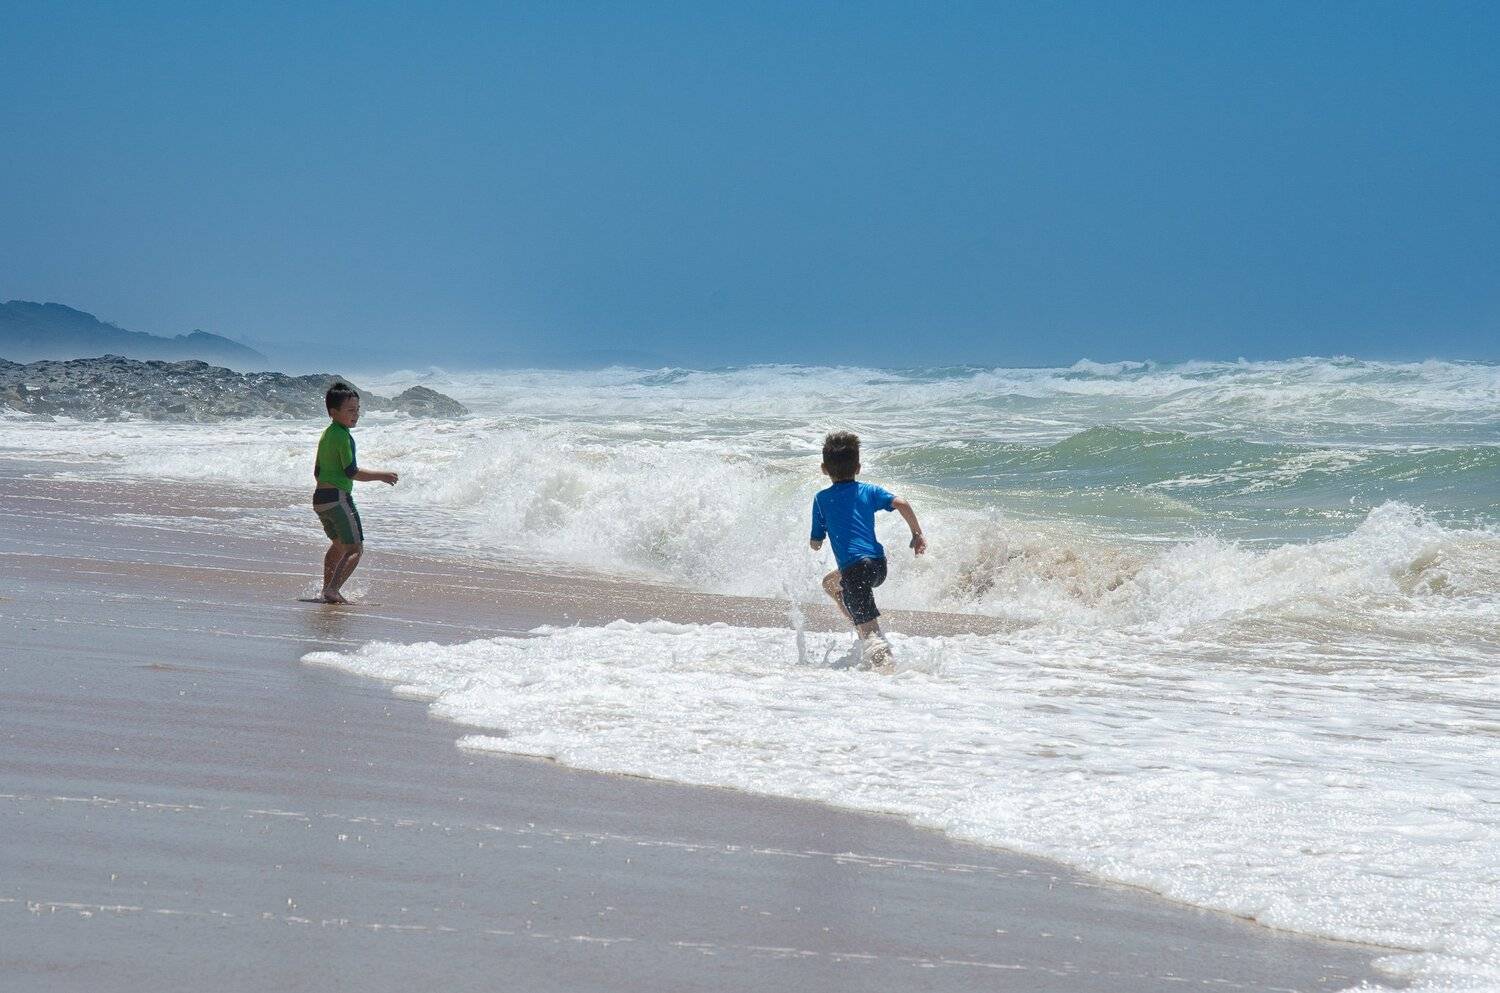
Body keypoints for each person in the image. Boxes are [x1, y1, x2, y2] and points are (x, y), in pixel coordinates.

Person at [809, 431, 926, 669]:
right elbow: (901, 503)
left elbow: (816, 542)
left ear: (824, 469)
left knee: (873, 636)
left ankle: (887, 672)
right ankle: (860, 623)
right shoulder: (869, 491)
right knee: (830, 584)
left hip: (855, 571)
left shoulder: (822, 499)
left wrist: (817, 541)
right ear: (858, 468)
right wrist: (917, 534)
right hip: (878, 566)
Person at [312, 382, 398, 603]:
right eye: (350, 410)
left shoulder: (327, 434)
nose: (356, 414)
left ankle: (327, 589)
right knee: (355, 549)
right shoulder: (343, 436)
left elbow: (317, 471)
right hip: (338, 499)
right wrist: (382, 475)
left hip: (320, 500)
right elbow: (351, 472)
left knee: (338, 545)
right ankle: (332, 589)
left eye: (357, 409)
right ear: (333, 412)